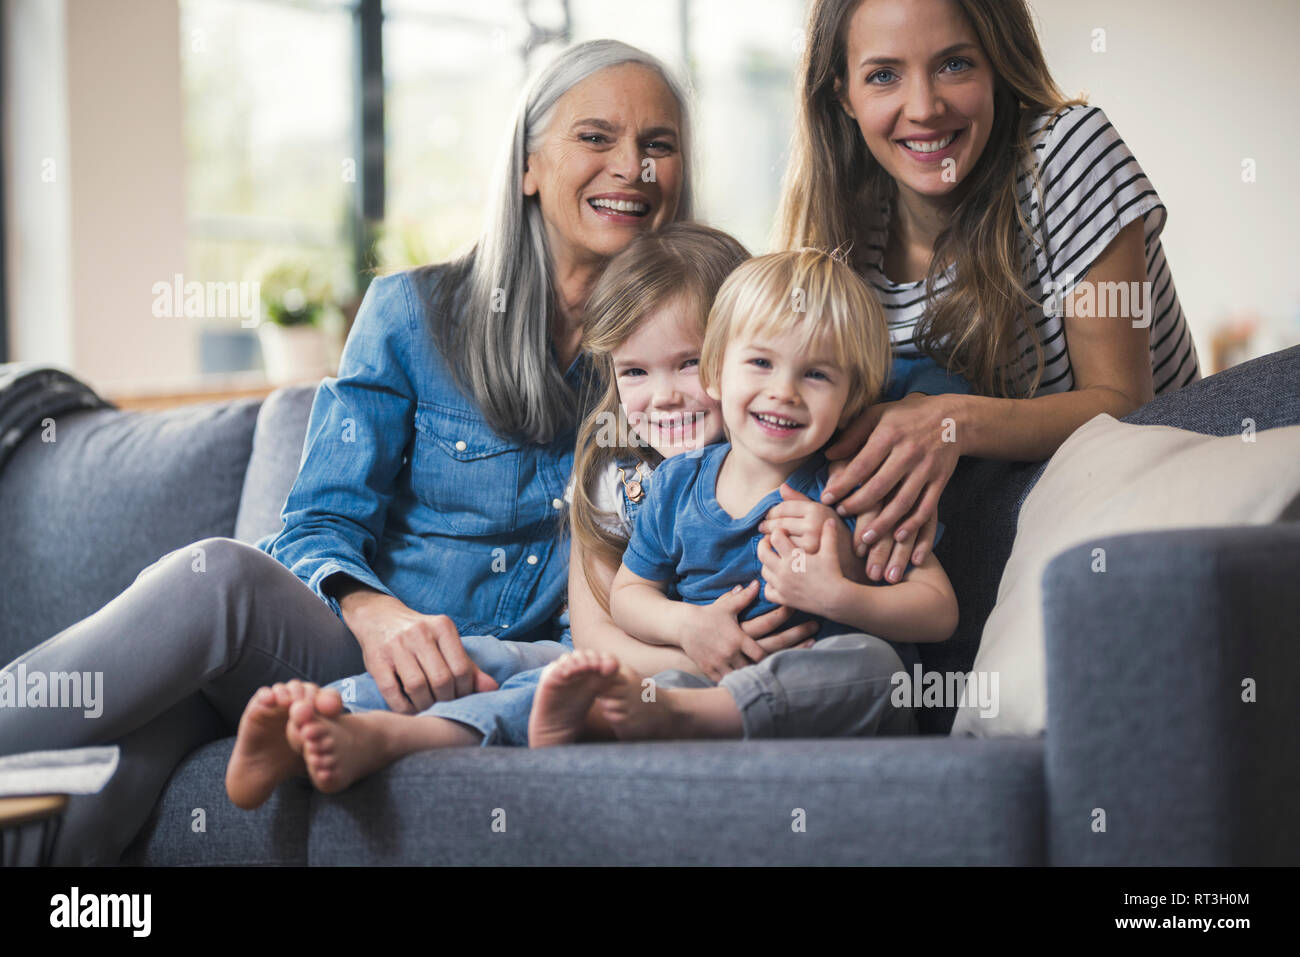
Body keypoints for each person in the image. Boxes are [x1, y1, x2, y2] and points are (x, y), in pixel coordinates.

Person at [0, 39, 693, 864]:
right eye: (596, 137)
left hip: (498, 681)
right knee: (216, 579)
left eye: (658, 145)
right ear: (527, 166)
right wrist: (379, 614)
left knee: (127, 759)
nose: (634, 168)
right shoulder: (413, 314)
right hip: (346, 647)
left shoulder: (702, 352)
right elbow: (315, 524)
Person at [775, 0, 1202, 587]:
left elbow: (1127, 405)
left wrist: (948, 422)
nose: (924, 108)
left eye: (955, 65)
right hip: (961, 553)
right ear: (842, 95)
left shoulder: (1067, 153)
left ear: (998, 65)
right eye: (883, 75)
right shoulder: (841, 231)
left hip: (1138, 508)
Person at [531, 247, 961, 744]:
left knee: (877, 666)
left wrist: (842, 595)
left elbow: (939, 611)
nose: (784, 392)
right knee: (657, 686)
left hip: (824, 704)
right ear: (716, 374)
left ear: (852, 399)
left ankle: (694, 717)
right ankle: (673, 717)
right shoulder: (676, 486)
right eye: (761, 362)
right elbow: (629, 595)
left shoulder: (855, 486)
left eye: (816, 374)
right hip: (702, 679)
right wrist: (685, 624)